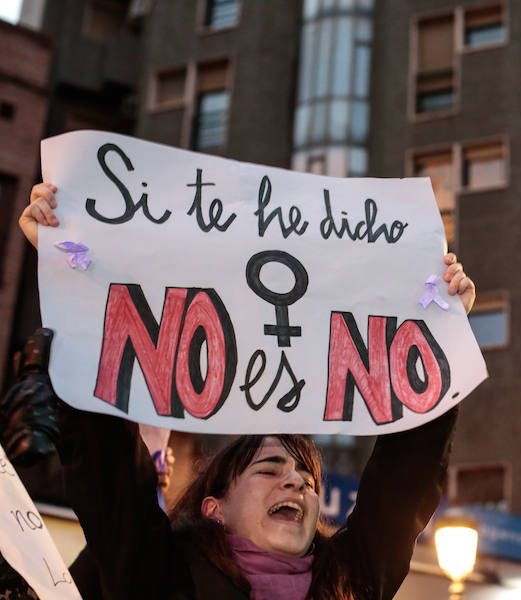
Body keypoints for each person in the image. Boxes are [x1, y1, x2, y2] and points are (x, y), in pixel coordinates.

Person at [19, 183, 476, 600]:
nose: (296, 482)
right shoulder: (162, 575)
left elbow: (405, 482)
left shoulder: (349, 583)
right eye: (269, 469)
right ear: (215, 508)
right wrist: (70, 272)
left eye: (308, 479)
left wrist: (439, 332)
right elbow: (109, 465)